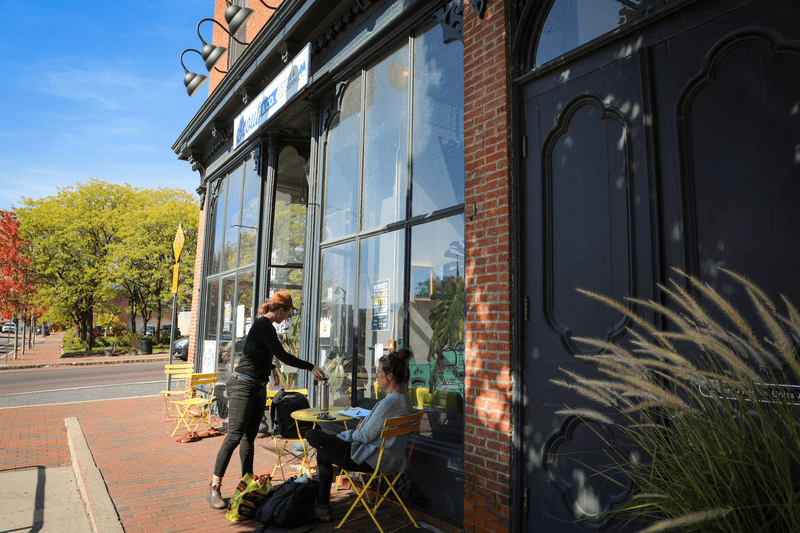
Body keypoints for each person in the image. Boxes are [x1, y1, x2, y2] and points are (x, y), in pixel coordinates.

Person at [208, 291, 326, 509]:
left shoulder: (264, 327)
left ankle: (246, 485)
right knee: (234, 436)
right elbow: (283, 354)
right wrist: (310, 367)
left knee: (249, 437)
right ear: (280, 310)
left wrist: (270, 367)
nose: (287, 318)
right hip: (243, 385)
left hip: (258, 387)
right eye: (288, 313)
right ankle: (214, 487)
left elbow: (253, 350)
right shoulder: (265, 325)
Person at [305, 348, 414, 522]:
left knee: (312, 434)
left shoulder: (388, 403)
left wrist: (341, 437)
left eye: (379, 373)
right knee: (323, 451)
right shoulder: (406, 400)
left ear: (390, 376)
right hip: (393, 458)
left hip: (371, 460)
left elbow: (363, 435)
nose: (376, 376)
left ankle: (323, 507)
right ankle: (322, 507)